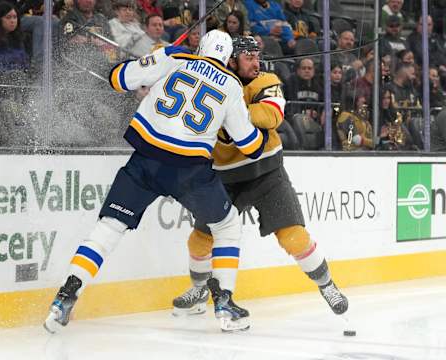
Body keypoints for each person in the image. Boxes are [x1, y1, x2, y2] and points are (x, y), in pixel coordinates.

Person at [44, 30, 268, 334]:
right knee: (227, 226)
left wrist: (159, 55)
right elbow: (250, 146)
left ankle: (64, 297)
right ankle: (225, 304)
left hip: (146, 160)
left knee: (109, 227)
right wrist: (262, 132)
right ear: (228, 58)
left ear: (200, 47)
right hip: (189, 170)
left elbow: (117, 79)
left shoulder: (174, 57)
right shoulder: (230, 84)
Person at [172, 36, 349, 321]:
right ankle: (199, 290)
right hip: (224, 179)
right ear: (231, 61)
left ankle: (327, 285)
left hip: (267, 172)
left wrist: (223, 108)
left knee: (294, 237)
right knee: (199, 240)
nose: (256, 63)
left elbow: (270, 115)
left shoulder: (267, 80)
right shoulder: (209, 84)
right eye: (248, 58)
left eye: (257, 56)